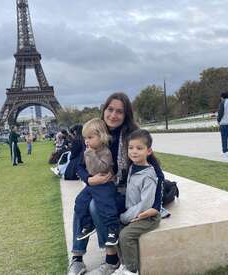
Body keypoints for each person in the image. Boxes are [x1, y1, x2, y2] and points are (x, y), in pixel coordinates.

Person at [68, 92, 164, 275]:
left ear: (125, 114)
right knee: (82, 202)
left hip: (122, 192)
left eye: (119, 111)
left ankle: (111, 259)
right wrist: (89, 179)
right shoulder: (93, 131)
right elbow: (77, 164)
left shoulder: (132, 135)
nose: (113, 115)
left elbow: (156, 172)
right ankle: (77, 258)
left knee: (97, 204)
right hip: (99, 185)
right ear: (104, 110)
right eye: (110, 109)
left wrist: (156, 206)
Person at [114, 129, 161, 275]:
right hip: (134, 213)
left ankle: (132, 270)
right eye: (131, 147)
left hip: (147, 216)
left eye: (139, 148)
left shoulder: (148, 175)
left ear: (149, 151)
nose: (134, 151)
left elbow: (146, 204)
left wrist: (126, 217)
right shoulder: (133, 167)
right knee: (116, 231)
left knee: (126, 235)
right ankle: (123, 265)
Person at [74, 118, 119, 246]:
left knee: (106, 205)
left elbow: (100, 168)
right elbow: (82, 167)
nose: (86, 141)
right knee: (80, 201)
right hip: (93, 185)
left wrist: (90, 154)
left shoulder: (105, 152)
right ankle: (88, 223)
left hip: (105, 185)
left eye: (90, 137)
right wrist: (89, 178)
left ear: (102, 137)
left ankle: (112, 229)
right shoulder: (89, 151)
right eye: (85, 138)